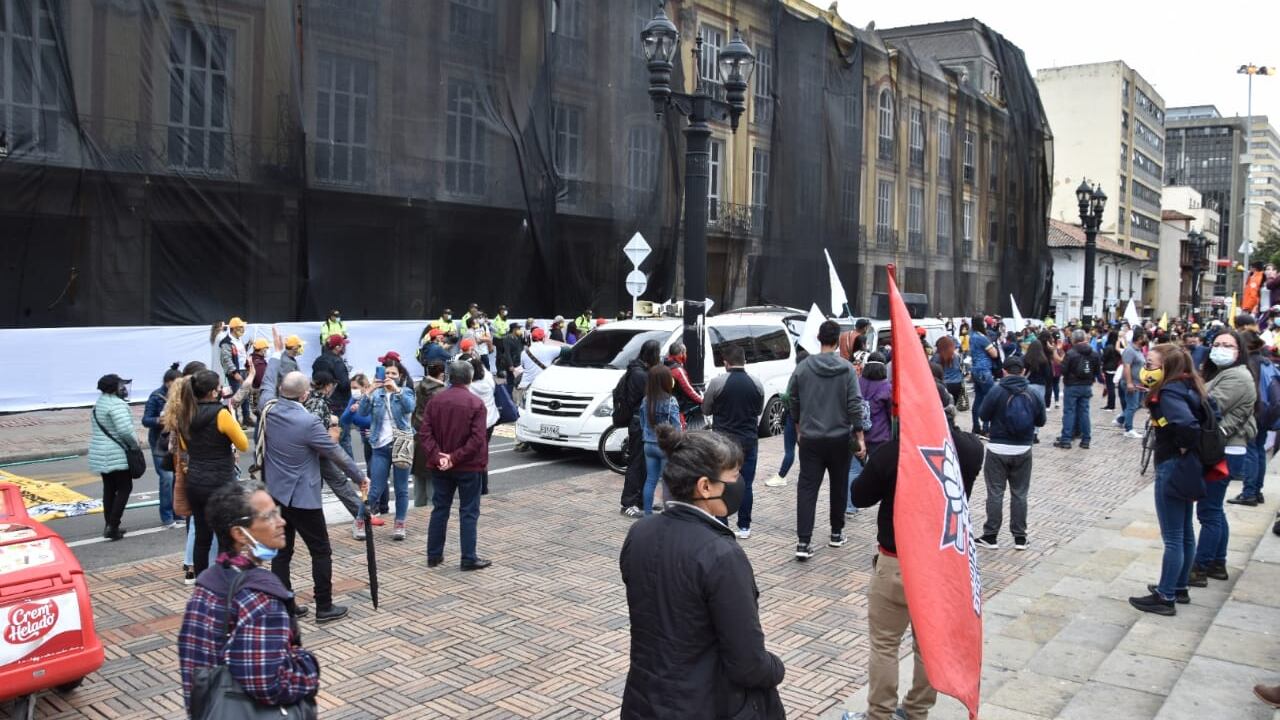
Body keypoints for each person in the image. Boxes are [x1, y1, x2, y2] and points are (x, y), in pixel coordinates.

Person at [619, 427, 785, 719]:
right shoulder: (721, 555)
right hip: (704, 704)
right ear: (705, 486)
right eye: (734, 477)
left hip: (643, 700)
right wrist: (776, 668)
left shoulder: (639, 533)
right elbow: (747, 662)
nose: (739, 484)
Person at [847, 395, 984, 720]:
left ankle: (879, 714)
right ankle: (916, 710)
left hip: (897, 561)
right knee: (928, 646)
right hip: (943, 562)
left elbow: (859, 495)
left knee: (884, 644)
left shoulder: (895, 452)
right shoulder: (970, 448)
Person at [178, 482, 320, 715]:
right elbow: (268, 683)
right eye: (269, 516)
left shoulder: (207, 584)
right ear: (239, 533)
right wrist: (307, 666)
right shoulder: (261, 600)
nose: (281, 522)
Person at [260, 372, 369, 623]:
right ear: (304, 394)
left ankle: (285, 605)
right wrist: (359, 477)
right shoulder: (307, 421)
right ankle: (324, 605)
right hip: (303, 497)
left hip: (276, 494)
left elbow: (266, 385)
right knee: (320, 551)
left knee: (281, 552)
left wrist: (276, 354)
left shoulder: (268, 407)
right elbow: (335, 452)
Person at [1129, 344, 1208, 616]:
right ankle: (1178, 585)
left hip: (1173, 464)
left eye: (1151, 364)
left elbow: (1186, 425)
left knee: (1173, 536)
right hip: (1183, 465)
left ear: (1167, 366)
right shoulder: (1189, 385)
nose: (1146, 369)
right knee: (1185, 530)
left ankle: (1166, 596)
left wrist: (1183, 447)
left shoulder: (1169, 391)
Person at [787, 320, 866, 561]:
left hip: (810, 438)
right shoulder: (846, 369)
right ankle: (836, 532)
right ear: (837, 340)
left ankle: (803, 541)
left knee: (807, 488)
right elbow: (855, 404)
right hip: (839, 437)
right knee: (839, 484)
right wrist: (860, 436)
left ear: (819, 338)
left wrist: (799, 426)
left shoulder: (803, 367)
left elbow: (791, 398)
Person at [166, 369, 250, 574]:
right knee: (225, 535)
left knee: (201, 537)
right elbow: (243, 444)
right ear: (213, 392)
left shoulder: (185, 413)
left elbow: (184, 446)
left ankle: (203, 580)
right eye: (219, 386)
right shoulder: (221, 414)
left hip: (195, 479)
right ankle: (224, 577)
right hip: (221, 481)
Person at [1193, 328, 1255, 587]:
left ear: (1239, 351)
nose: (1220, 348)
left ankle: (1200, 566)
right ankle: (1217, 562)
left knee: (1209, 511)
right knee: (1215, 510)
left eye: (1228, 345)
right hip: (1225, 448)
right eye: (1217, 343)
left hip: (1225, 449)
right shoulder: (1224, 373)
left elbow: (1208, 406)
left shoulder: (1237, 377)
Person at [422, 360, 492, 570]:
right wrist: (454, 457)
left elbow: (425, 433)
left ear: (449, 377)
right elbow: (477, 439)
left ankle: (434, 555)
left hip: (441, 465)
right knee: (469, 511)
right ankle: (468, 557)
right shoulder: (475, 403)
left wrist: (439, 457)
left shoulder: (435, 401)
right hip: (468, 465)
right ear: (470, 378)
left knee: (440, 508)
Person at [975, 356, 1046, 551]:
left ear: (1004, 371)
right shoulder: (1032, 393)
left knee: (995, 492)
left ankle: (991, 535)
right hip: (1023, 448)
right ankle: (1020, 537)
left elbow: (983, 414)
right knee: (1020, 494)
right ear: (1023, 371)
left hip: (998, 447)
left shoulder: (996, 391)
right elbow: (1041, 421)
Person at [702, 344, 764, 537]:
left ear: (726, 363)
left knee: (720, 481)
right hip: (748, 440)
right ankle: (744, 526)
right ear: (744, 361)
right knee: (746, 483)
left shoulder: (717, 382)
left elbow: (706, 409)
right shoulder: (756, 382)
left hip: (723, 442)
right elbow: (759, 410)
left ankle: (722, 523)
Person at [357, 363, 415, 541]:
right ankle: (359, 520)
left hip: (401, 444)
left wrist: (396, 390)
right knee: (376, 488)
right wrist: (370, 390)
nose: (389, 375)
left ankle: (399, 523)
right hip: (379, 446)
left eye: (393, 373)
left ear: (400, 376)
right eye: (386, 372)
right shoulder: (376, 394)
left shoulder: (405, 392)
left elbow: (409, 407)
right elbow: (362, 412)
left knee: (401, 488)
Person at [300, 371, 363, 523]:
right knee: (339, 482)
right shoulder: (319, 402)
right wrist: (330, 426)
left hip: (311, 452)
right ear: (328, 386)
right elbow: (313, 425)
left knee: (320, 485)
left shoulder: (308, 398)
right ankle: (363, 516)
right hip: (318, 451)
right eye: (332, 385)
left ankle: (361, 515)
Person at [88, 374, 142, 542]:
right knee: (125, 487)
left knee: (109, 489)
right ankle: (113, 525)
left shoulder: (100, 403)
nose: (124, 388)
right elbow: (125, 431)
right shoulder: (117, 405)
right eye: (120, 385)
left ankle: (110, 525)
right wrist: (135, 445)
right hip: (116, 452)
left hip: (101, 452)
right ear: (114, 388)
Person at [142, 363, 183, 529]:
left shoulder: (181, 396)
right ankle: (166, 516)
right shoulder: (157, 397)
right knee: (167, 477)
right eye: (176, 383)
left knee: (177, 477)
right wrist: (161, 420)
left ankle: (177, 512)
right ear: (168, 382)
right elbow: (146, 420)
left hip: (176, 441)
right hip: (160, 442)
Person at [640, 365, 682, 515]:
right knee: (666, 482)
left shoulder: (646, 400)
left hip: (648, 444)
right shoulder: (670, 401)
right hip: (665, 446)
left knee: (650, 480)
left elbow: (642, 423)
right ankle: (668, 514)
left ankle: (647, 514)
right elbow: (677, 426)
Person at [766, 345, 807, 488]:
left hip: (793, 416)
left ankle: (781, 476)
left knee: (789, 449)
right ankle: (805, 475)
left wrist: (781, 396)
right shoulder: (811, 376)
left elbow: (789, 396)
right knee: (804, 448)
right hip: (807, 418)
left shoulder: (796, 375)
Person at [1054, 329, 1098, 450]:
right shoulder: (1093, 353)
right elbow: (1097, 370)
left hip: (1072, 385)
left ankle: (1066, 440)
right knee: (1084, 412)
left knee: (1069, 412)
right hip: (1086, 385)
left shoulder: (1071, 353)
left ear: (1073, 340)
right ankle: (1086, 440)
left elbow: (1063, 370)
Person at [462, 352, 499, 494]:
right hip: (490, 420)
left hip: (475, 423)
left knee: (473, 455)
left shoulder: (469, 386)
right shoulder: (488, 377)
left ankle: (476, 487)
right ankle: (483, 487)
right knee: (482, 454)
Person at [312, 334, 353, 454]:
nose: (344, 347)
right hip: (340, 404)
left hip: (324, 402)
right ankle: (349, 470)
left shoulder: (318, 360)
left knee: (327, 438)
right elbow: (345, 384)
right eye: (343, 345)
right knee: (344, 439)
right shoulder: (337, 361)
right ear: (338, 347)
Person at [968, 314, 999, 436]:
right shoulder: (982, 338)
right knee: (989, 399)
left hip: (976, 370)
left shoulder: (972, 335)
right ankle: (986, 428)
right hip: (984, 370)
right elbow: (994, 354)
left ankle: (976, 426)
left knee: (978, 399)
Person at [516, 326, 560, 407]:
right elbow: (567, 350)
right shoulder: (550, 350)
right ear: (543, 338)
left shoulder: (524, 352)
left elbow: (523, 366)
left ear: (531, 338)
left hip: (526, 386)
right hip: (542, 386)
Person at [1117, 328, 1148, 439]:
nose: (1146, 339)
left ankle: (1121, 418)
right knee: (1132, 406)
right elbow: (1127, 366)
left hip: (1139, 383)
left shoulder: (1138, 350)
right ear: (1139, 338)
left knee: (1138, 404)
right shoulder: (1130, 350)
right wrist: (1129, 382)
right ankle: (1128, 429)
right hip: (1132, 383)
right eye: (1144, 337)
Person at [859, 353, 893, 454]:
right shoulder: (886, 387)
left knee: (855, 469)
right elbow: (891, 413)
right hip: (879, 436)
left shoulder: (857, 382)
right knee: (878, 468)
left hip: (857, 433)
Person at [219, 317, 249, 423]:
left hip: (243, 370)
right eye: (241, 327)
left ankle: (246, 418)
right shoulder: (226, 342)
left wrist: (248, 346)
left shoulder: (239, 340)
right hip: (235, 373)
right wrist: (235, 373)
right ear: (234, 329)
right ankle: (235, 421)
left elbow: (240, 354)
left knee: (245, 395)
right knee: (235, 397)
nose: (243, 329)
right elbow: (227, 359)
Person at [665, 341, 703, 421]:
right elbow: (688, 390)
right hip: (676, 408)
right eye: (685, 352)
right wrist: (703, 400)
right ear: (681, 354)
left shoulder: (665, 365)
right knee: (679, 431)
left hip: (664, 405)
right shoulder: (678, 370)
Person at [931, 335, 964, 408]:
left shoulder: (937, 357)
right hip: (957, 384)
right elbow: (960, 369)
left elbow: (932, 370)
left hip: (944, 384)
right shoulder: (956, 356)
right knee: (952, 406)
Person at [497, 322, 526, 387]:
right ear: (514, 329)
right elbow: (507, 353)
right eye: (518, 328)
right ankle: (509, 394)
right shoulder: (507, 338)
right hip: (511, 362)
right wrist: (510, 365)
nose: (520, 330)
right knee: (510, 380)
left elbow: (525, 344)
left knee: (518, 380)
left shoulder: (519, 337)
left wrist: (525, 337)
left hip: (518, 362)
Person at [1101, 331, 1122, 410]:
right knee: (1111, 387)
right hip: (1115, 367)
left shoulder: (1109, 347)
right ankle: (1111, 404)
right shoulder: (1117, 347)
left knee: (1110, 387)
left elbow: (1104, 358)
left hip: (1109, 368)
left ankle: (1111, 404)